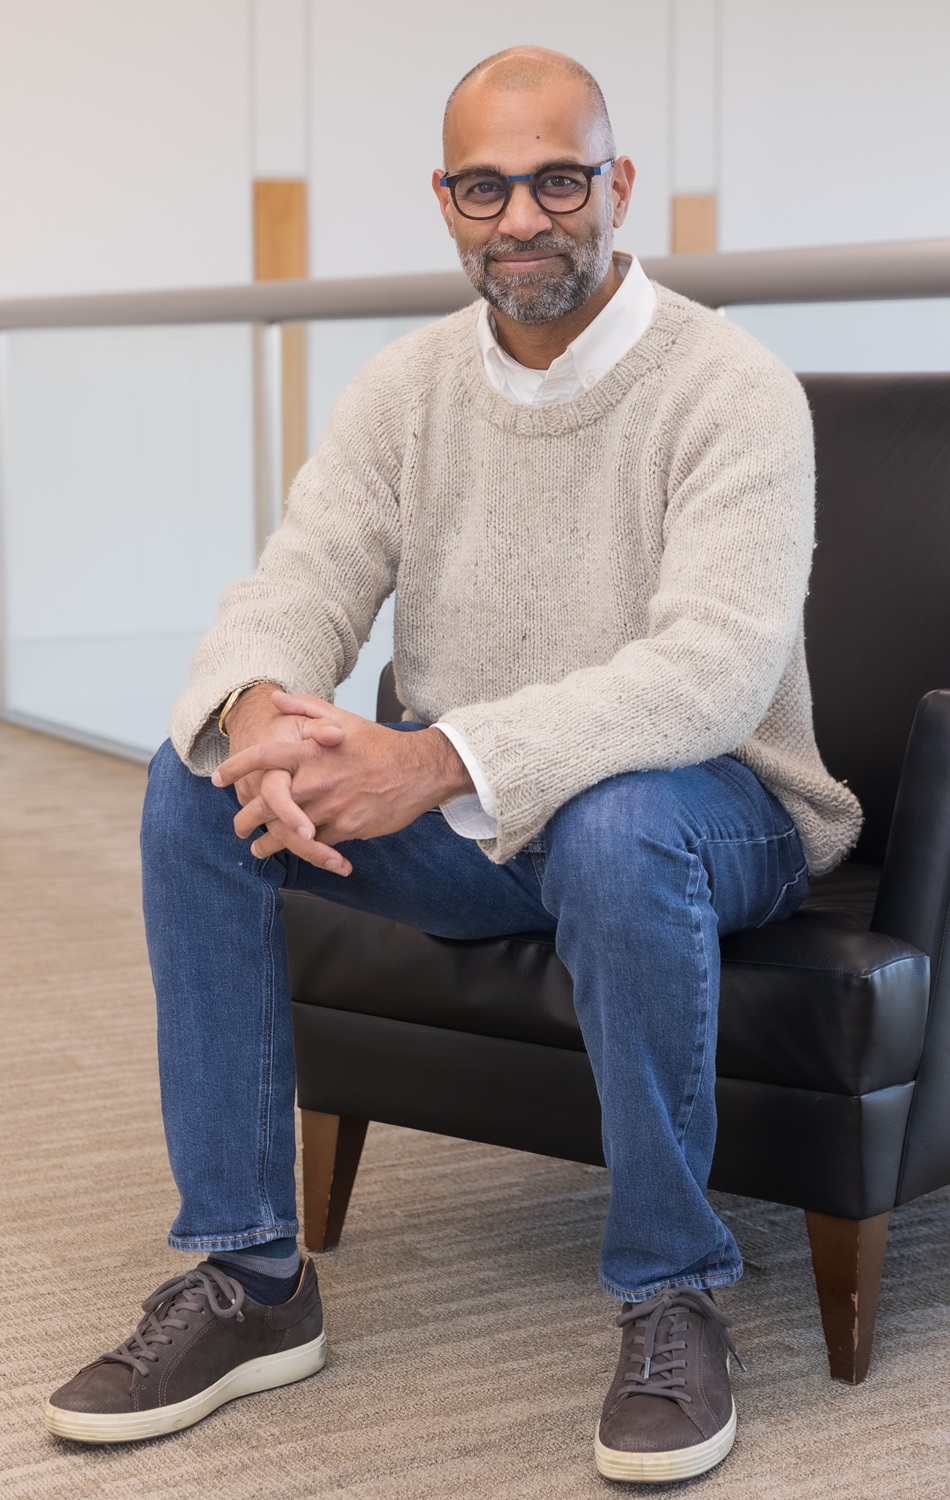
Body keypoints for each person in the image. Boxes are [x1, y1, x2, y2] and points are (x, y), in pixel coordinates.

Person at [45, 45, 861, 1484]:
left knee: (615, 825)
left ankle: (670, 1291)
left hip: (713, 809)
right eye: (486, 189)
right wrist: (253, 709)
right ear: (444, 199)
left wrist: (436, 757)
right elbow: (300, 580)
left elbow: (710, 674)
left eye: (557, 180)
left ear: (614, 185)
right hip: (486, 822)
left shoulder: (728, 385)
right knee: (192, 780)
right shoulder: (406, 387)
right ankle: (249, 1281)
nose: (523, 220)